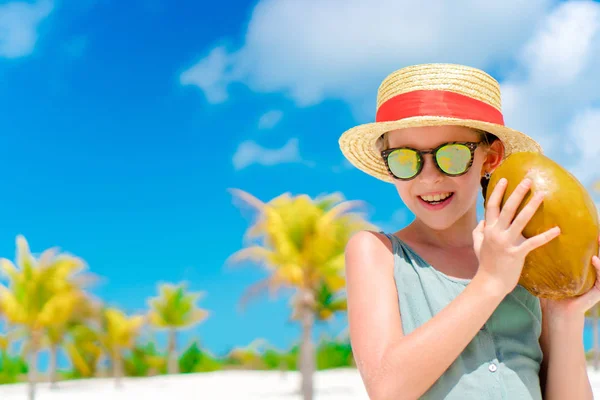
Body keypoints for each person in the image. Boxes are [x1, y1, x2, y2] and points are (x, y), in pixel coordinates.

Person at [338, 63, 600, 400]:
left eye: (452, 155)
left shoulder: (528, 256)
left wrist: (564, 317)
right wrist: (491, 282)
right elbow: (387, 389)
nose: (429, 178)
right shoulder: (376, 253)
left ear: (490, 159)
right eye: (405, 159)